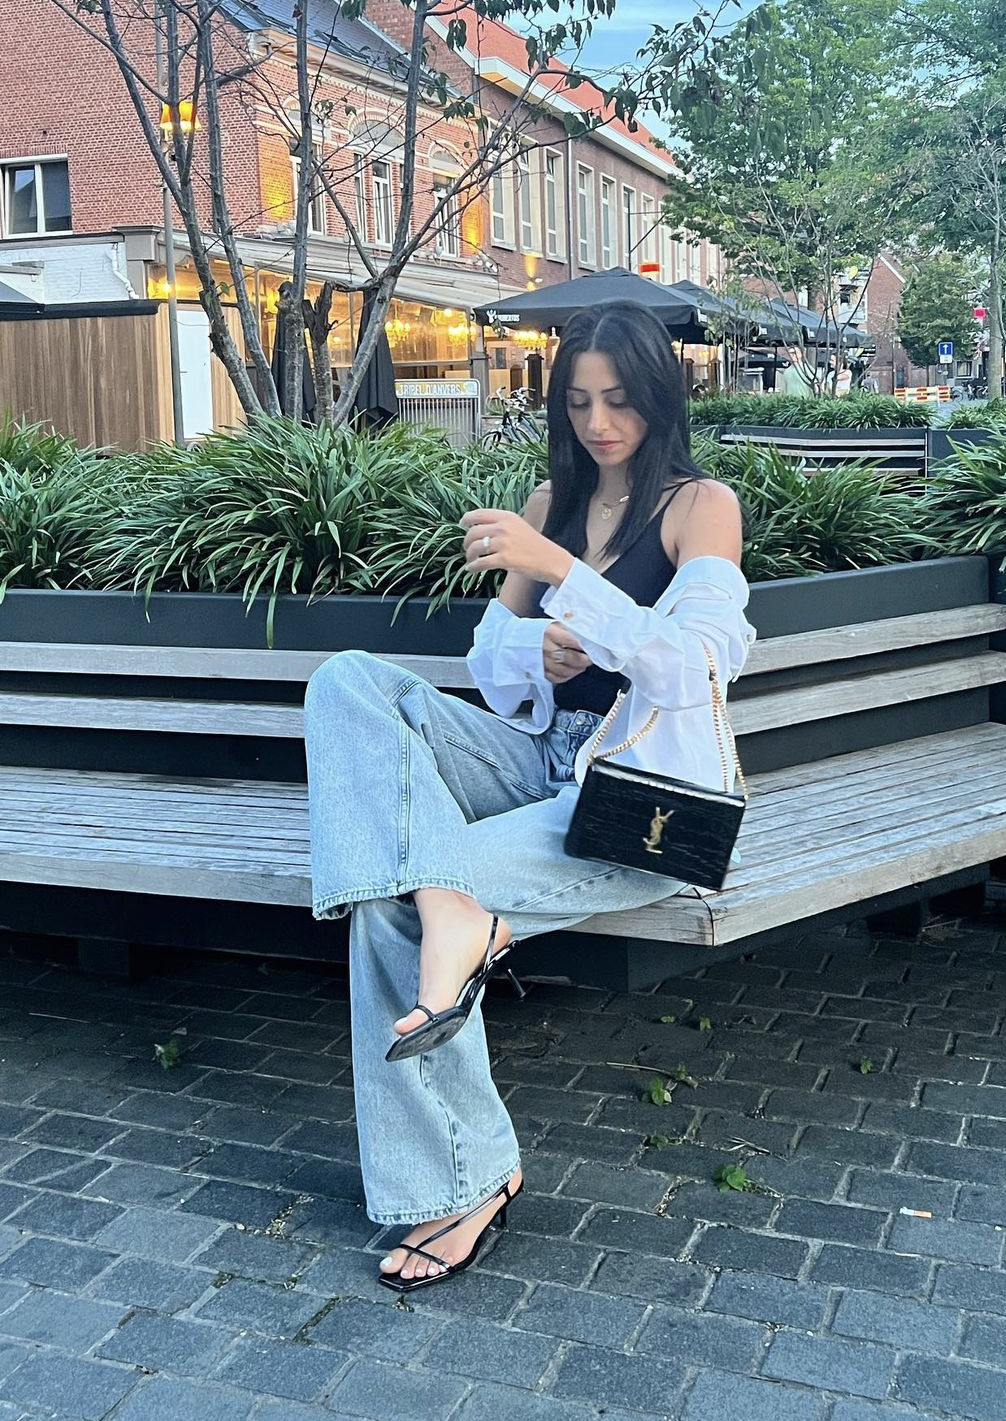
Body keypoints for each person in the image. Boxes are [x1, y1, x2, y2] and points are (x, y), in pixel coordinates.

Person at [303, 300, 755, 1294]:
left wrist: (563, 577)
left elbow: (696, 665)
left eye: (621, 401)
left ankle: (466, 1182)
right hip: (535, 754)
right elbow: (488, 664)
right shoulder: (553, 498)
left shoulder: (699, 506)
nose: (601, 423)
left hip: (633, 797)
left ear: (660, 397)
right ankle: (452, 906)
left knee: (388, 905)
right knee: (348, 682)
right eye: (580, 402)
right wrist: (536, 649)